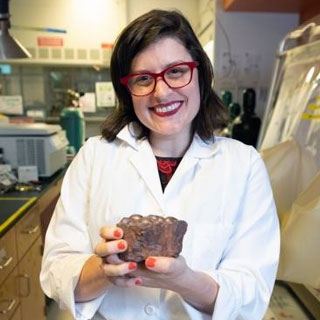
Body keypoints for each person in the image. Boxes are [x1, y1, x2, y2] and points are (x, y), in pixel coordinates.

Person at [40, 9, 280, 320]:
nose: (162, 91)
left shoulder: (245, 166)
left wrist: (185, 281)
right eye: (143, 79)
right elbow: (56, 273)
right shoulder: (94, 156)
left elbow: (252, 294)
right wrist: (105, 271)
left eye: (176, 71)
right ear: (127, 90)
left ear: (200, 74)